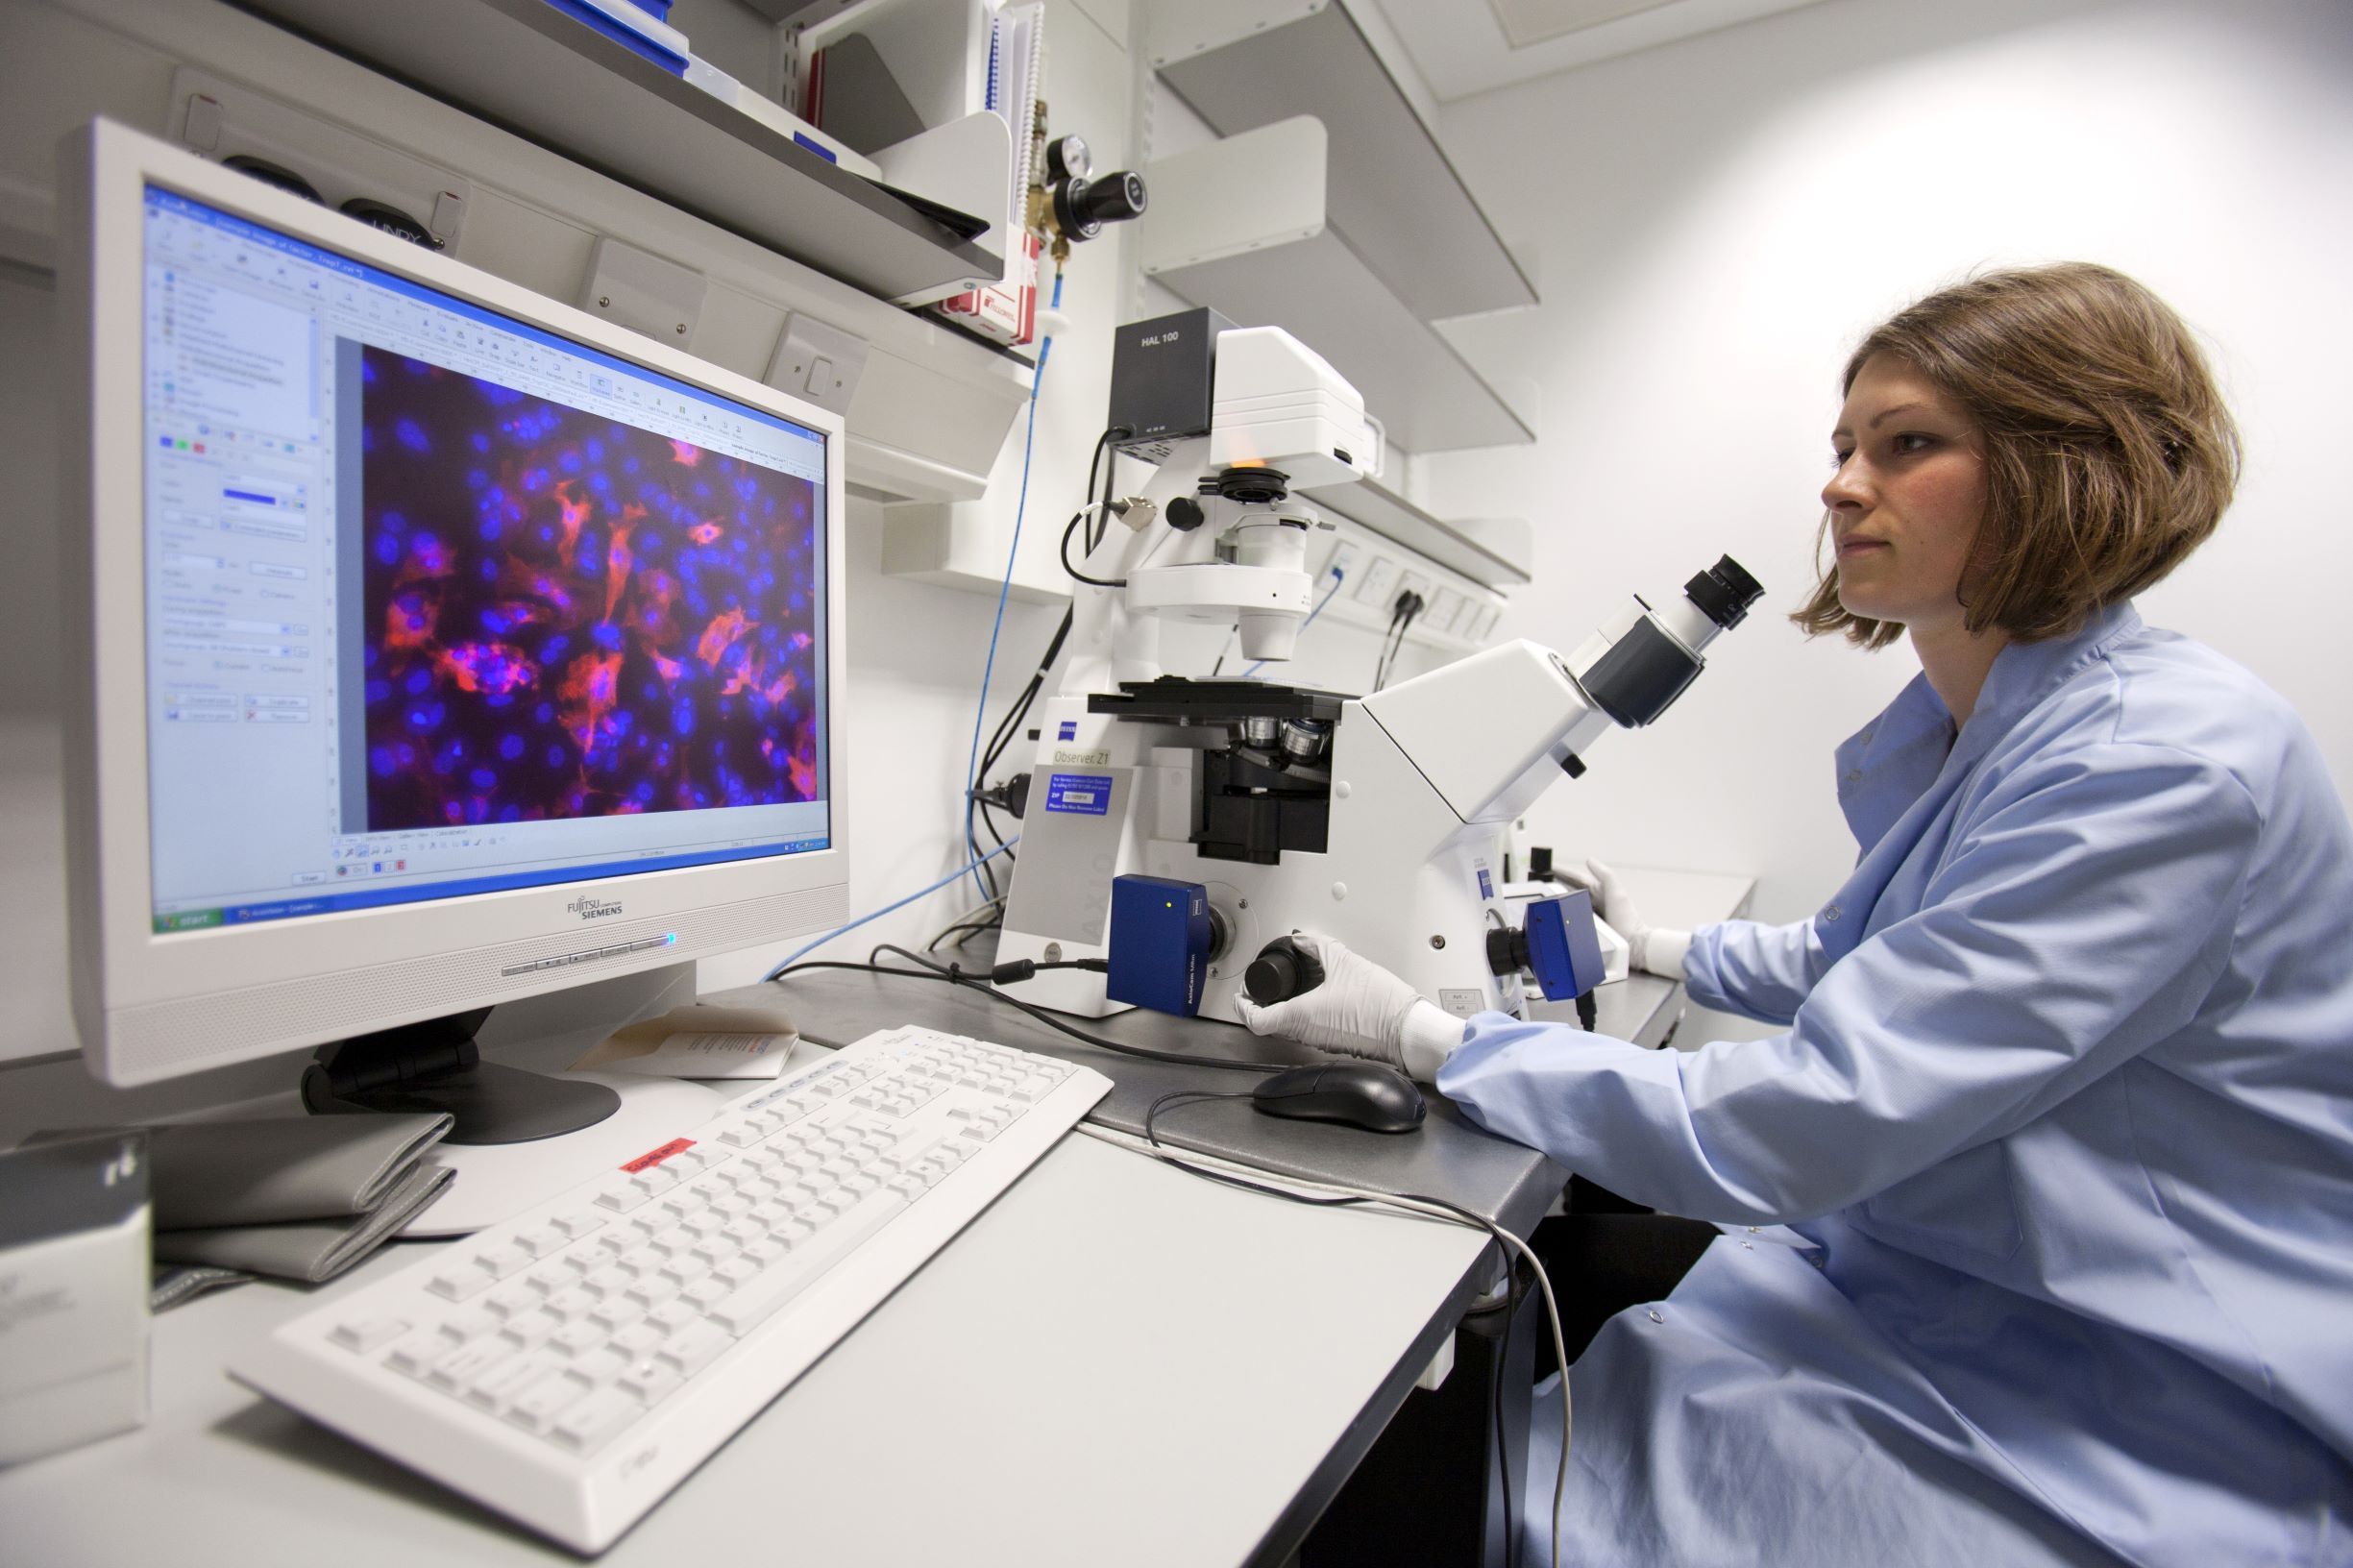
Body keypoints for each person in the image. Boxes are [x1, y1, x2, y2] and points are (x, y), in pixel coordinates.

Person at [1236, 263, 2353, 1567]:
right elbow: (1869, 960)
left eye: (1906, 444)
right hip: (1953, 1287)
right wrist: (1641, 946)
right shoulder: (2030, 722)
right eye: (1841, 447)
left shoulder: (2149, 764)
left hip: (2117, 1393)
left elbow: (1809, 1120)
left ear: (2066, 469)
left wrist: (1427, 1036)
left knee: (1463, 1494)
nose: (1837, 484)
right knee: (1509, 1412)